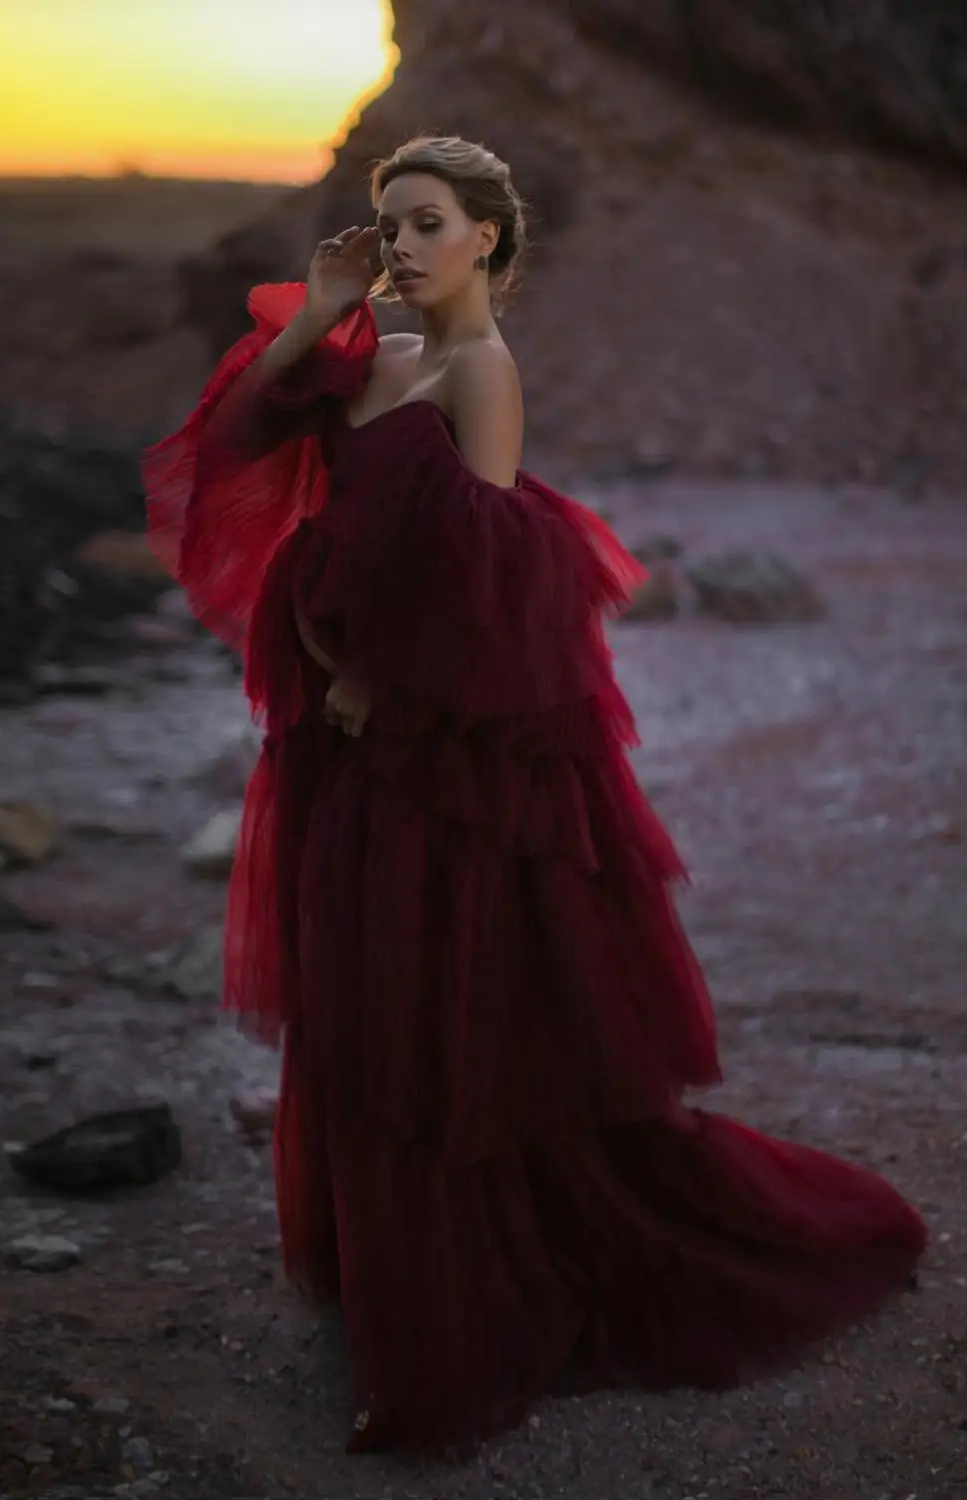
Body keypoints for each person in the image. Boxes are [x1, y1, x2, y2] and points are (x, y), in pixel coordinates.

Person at [143, 134, 926, 1454]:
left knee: (426, 1006)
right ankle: (386, 1274)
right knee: (357, 993)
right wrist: (327, 311)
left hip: (429, 745)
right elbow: (241, 431)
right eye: (390, 224)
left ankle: (456, 1315)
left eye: (428, 225)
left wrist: (379, 683)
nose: (402, 247)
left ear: (491, 241)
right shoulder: (376, 355)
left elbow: (493, 587)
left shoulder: (480, 373)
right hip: (345, 729)